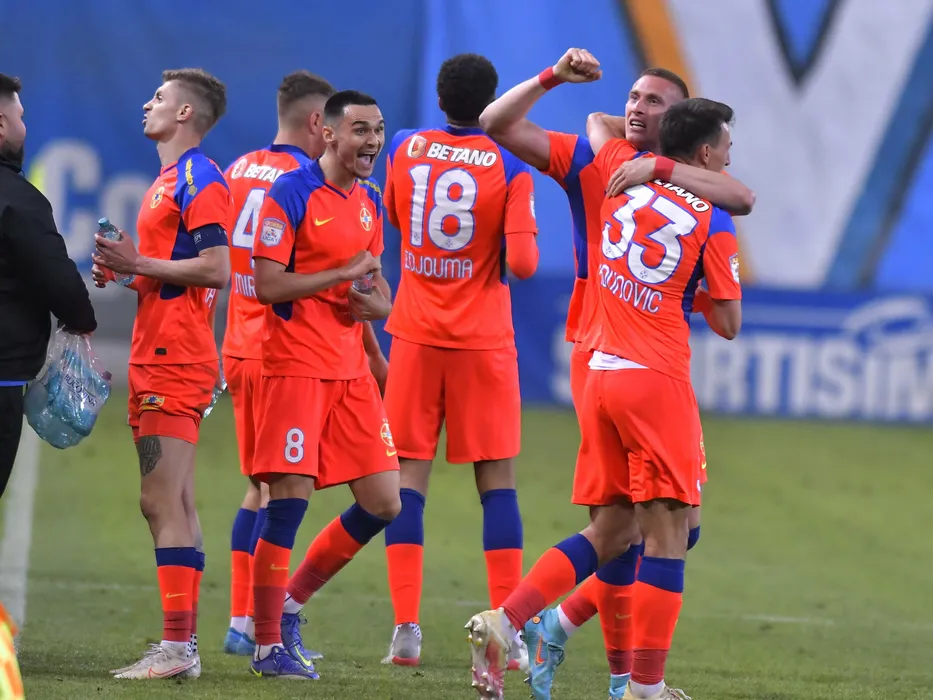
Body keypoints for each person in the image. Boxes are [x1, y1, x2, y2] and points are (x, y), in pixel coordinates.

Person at [479, 49, 755, 699]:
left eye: (652, 101)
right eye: (633, 97)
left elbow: (599, 128)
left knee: (620, 529)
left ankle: (520, 621)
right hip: (648, 369)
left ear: (672, 125)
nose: (635, 108)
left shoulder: (608, 167)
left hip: (600, 360)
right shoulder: (698, 206)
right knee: (667, 532)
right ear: (707, 150)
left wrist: (648, 158)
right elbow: (729, 313)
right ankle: (637, 685)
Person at [380, 53, 539, 670]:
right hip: (482, 342)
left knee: (406, 481)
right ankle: (507, 629)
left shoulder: (405, 146)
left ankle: (405, 629)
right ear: (493, 102)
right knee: (497, 484)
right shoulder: (511, 162)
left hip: (415, 335)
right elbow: (523, 264)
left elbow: (396, 218)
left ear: (440, 97)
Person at [246, 89, 400, 680]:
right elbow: (267, 285)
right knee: (288, 504)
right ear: (329, 134)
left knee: (384, 502)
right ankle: (266, 647)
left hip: (351, 371)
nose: (373, 141)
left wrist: (379, 311)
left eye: (378, 130)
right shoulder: (290, 192)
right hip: (295, 367)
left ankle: (287, 606)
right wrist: (341, 273)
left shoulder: (370, 200)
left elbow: (373, 285)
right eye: (361, 130)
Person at [92, 68, 233, 680]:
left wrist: (140, 261)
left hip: (174, 359)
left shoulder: (200, 177)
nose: (147, 103)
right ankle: (183, 645)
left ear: (185, 114)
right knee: (177, 500)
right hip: (165, 351)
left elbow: (217, 268)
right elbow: (174, 275)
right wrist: (128, 270)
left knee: (158, 500)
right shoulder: (169, 180)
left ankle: (177, 648)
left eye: (160, 97)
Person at [0, 72, 97, 499]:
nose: (25, 127)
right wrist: (81, 318)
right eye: (20, 117)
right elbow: (58, 280)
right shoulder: (17, 198)